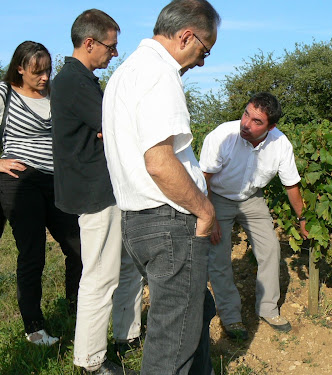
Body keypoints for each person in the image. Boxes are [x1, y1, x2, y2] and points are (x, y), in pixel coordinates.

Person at [102, 1, 220, 374]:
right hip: (169, 222)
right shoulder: (158, 73)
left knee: (195, 312)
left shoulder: (126, 72)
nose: (201, 62)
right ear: (186, 35)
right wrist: (204, 209)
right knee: (172, 343)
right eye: (204, 51)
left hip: (139, 222)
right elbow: (159, 161)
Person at [51, 9, 142, 374]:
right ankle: (89, 360)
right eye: (111, 46)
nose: (114, 53)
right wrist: (111, 129)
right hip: (95, 190)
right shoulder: (74, 80)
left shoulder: (81, 78)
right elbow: (115, 126)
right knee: (100, 276)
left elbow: (108, 127)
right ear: (89, 43)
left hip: (104, 187)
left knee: (124, 266)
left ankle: (127, 333)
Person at [199, 92, 309, 340]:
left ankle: (268, 309)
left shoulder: (281, 144)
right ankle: (230, 316)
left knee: (270, 249)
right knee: (218, 258)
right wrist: (210, 217)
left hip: (251, 198)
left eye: (256, 121)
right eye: (246, 114)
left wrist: (303, 218)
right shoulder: (222, 136)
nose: (246, 124)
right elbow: (202, 180)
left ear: (271, 127)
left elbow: (291, 185)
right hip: (215, 197)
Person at [0, 41, 82, 345]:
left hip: (57, 181)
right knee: (33, 253)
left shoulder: (55, 95)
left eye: (48, 70)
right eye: (37, 71)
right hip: (20, 181)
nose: (45, 77)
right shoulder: (4, 93)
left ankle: (78, 311)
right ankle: (34, 329)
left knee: (78, 246)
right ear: (20, 68)